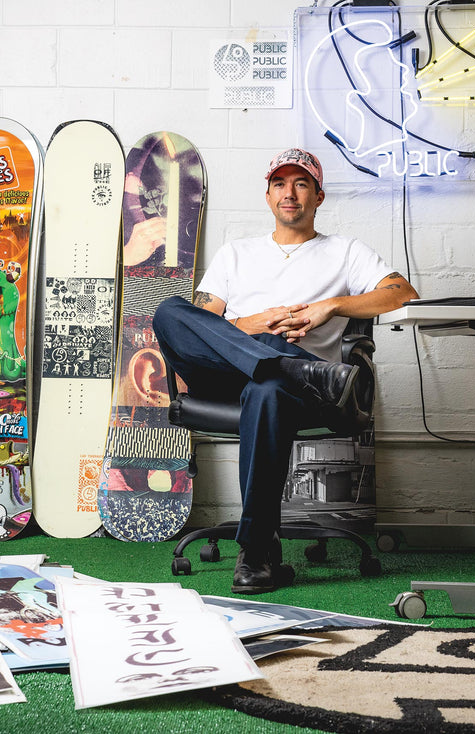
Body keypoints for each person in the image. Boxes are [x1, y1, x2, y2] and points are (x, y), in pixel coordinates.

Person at [152, 148, 418, 594]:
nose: (289, 192)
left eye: (301, 183)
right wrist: (254, 325)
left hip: (292, 395)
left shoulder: (345, 251)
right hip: (227, 377)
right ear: (268, 195)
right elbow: (198, 328)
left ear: (319, 196)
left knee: (267, 389)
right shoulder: (236, 253)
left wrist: (332, 306)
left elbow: (403, 293)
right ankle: (292, 366)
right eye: (279, 183)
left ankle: (255, 554)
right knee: (168, 312)